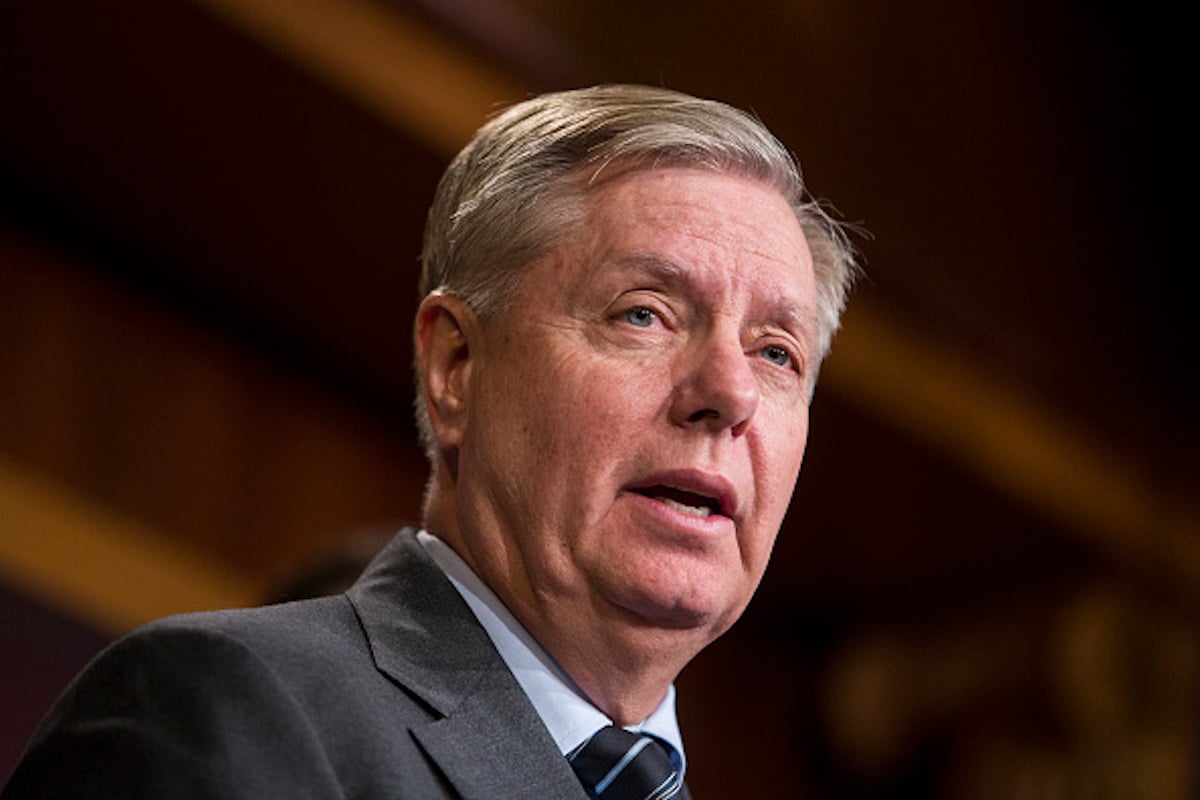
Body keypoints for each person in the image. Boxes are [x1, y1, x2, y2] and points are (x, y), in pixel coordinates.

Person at [2, 84, 858, 799]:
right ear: (456, 366)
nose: (731, 394)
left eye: (775, 353)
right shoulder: (223, 710)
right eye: (644, 314)